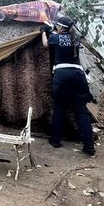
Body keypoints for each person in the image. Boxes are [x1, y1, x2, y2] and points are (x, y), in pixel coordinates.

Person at [41, 16, 95, 156]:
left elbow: (45, 44)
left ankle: (56, 140)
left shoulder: (55, 38)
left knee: (60, 108)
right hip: (78, 75)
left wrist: (43, 31)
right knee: (81, 111)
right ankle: (89, 146)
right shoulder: (75, 38)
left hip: (62, 75)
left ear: (59, 27)